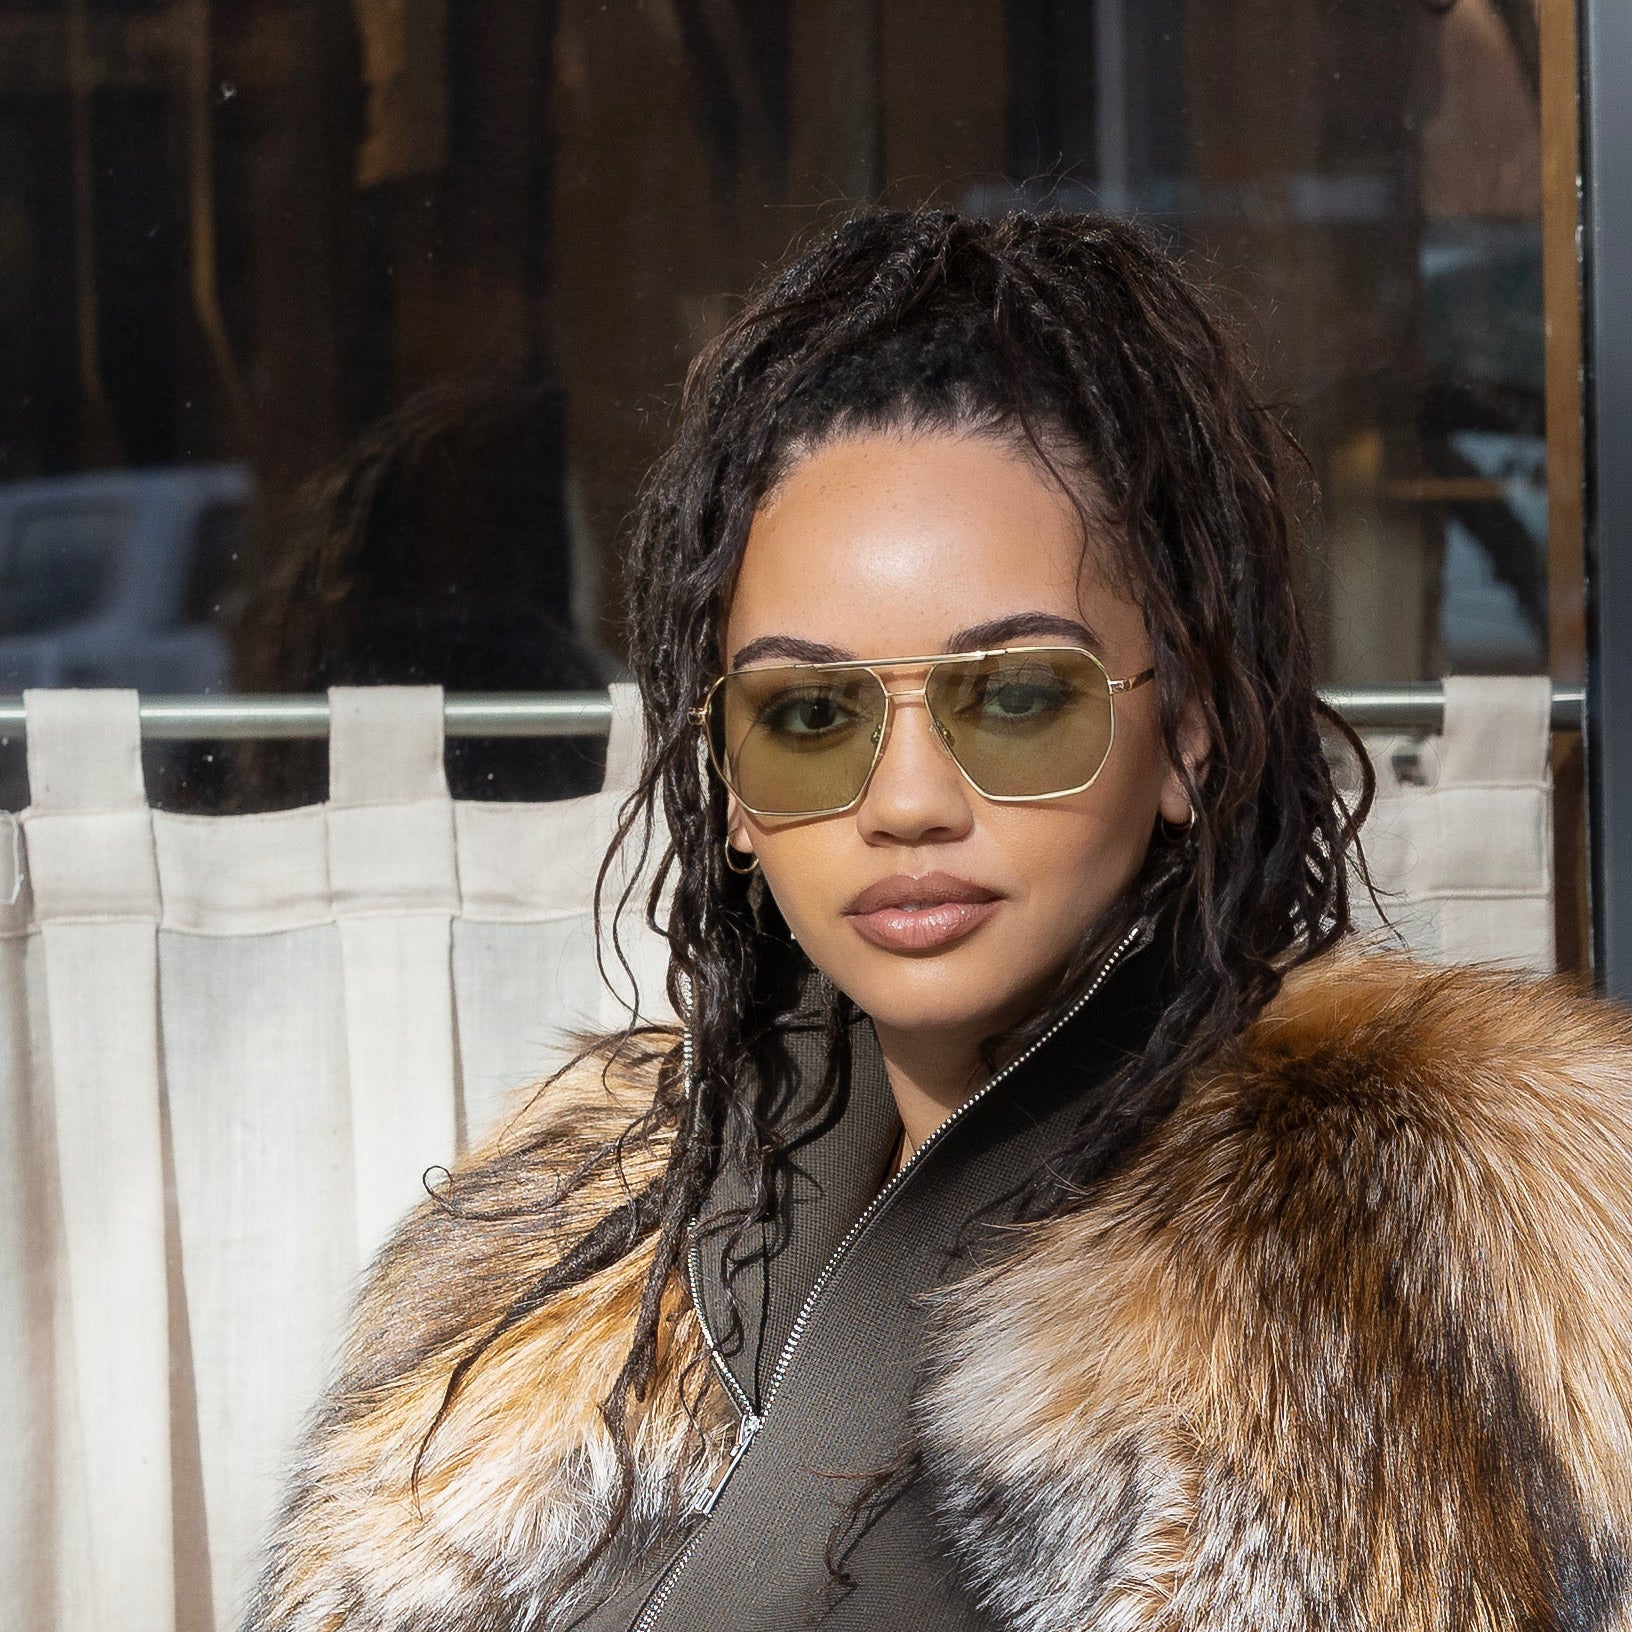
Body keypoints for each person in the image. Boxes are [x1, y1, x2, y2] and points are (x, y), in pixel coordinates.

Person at [244, 211, 1632, 1631]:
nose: (906, 801)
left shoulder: (1431, 1262)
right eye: (807, 712)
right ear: (728, 780)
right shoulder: (563, 1243)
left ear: (1191, 731)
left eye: (1018, 696)